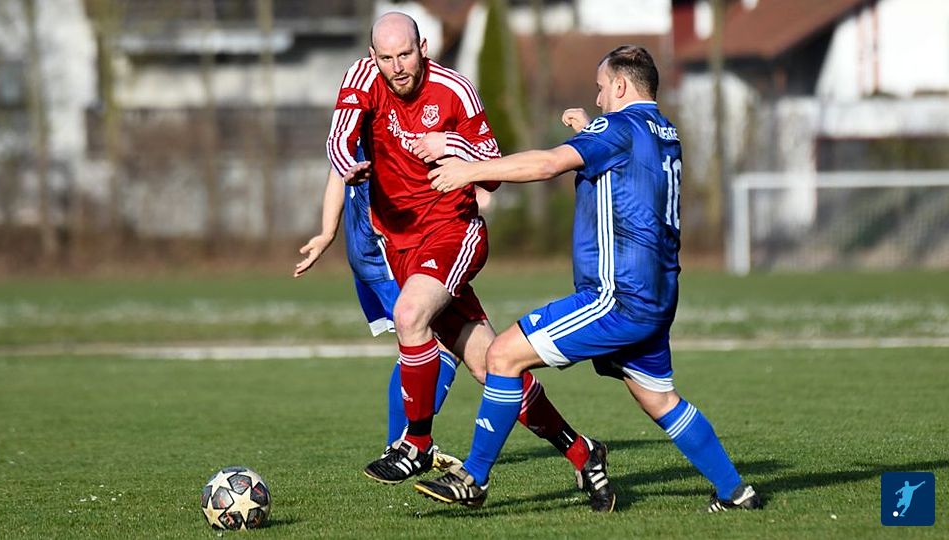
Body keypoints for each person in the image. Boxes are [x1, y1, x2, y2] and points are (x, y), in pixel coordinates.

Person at [414, 45, 762, 513]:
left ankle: (473, 478)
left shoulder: (615, 129)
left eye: (601, 89)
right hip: (657, 294)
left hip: (617, 298)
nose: (598, 99)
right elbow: (626, 169)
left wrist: (468, 171)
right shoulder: (664, 131)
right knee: (659, 399)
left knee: (502, 355)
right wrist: (589, 131)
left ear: (620, 85)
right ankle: (735, 491)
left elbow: (546, 164)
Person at [326, 12, 613, 511]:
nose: (397, 67)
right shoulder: (363, 78)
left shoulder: (455, 90)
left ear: (423, 47)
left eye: (405, 54)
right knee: (490, 366)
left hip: (453, 232)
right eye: (387, 57)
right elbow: (338, 138)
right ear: (373, 57)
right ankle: (582, 452)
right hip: (401, 246)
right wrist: (349, 164)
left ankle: (416, 443)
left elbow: (493, 168)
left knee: (409, 315)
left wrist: (450, 145)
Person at [293, 165, 459, 460]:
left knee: (424, 341)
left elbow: (337, 166)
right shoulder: (379, 132)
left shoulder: (349, 134)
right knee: (439, 340)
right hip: (385, 245)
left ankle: (403, 444)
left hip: (366, 243)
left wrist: (328, 233)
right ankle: (404, 445)